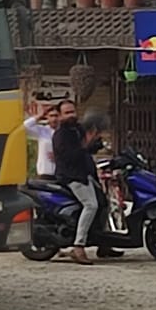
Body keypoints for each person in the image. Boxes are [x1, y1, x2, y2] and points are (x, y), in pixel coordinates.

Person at [53, 109, 112, 264]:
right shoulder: (61, 135)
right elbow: (69, 157)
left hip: (85, 174)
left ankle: (103, 243)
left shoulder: (78, 130)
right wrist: (86, 145)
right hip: (72, 176)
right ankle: (78, 246)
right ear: (60, 115)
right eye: (66, 112)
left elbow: (89, 150)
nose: (71, 115)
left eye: (72, 111)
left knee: (104, 203)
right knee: (91, 205)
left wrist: (95, 142)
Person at [24, 102, 59, 178]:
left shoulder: (65, 132)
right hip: (44, 172)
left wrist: (59, 156)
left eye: (56, 116)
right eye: (51, 116)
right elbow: (24, 128)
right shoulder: (42, 131)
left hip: (61, 172)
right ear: (47, 117)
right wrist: (39, 116)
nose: (54, 119)